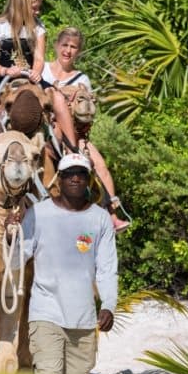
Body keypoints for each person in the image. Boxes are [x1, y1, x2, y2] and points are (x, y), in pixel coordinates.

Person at [7, 151, 117, 374]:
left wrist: (109, 304)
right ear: (60, 178)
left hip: (84, 320)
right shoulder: (39, 214)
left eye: (81, 175)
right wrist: (11, 236)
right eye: (68, 173)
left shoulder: (99, 219)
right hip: (46, 315)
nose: (74, 179)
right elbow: (17, 259)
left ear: (88, 180)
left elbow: (107, 266)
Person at [44, 27, 130, 233]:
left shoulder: (82, 79)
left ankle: (112, 214)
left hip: (73, 133)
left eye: (73, 47)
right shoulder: (42, 69)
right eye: (64, 45)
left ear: (79, 52)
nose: (68, 51)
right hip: (45, 129)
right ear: (56, 45)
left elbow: (86, 116)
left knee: (99, 163)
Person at [0, 0, 77, 145]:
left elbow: (39, 58)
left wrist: (36, 71)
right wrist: (6, 71)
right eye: (34, 7)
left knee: (59, 99)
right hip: (2, 81)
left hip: (31, 79)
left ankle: (71, 149)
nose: (38, 11)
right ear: (20, 4)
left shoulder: (38, 28)